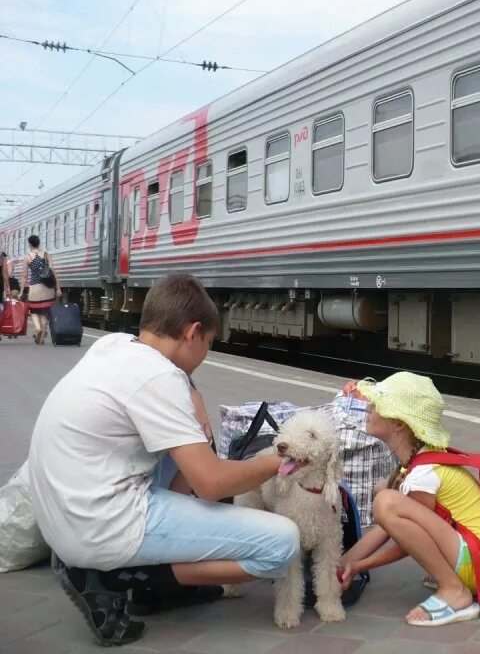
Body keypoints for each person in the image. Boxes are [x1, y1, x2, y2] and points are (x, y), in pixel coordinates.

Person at [27, 274, 300, 646]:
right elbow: (211, 484)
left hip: (63, 517)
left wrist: (193, 396)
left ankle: (131, 565)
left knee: (191, 442)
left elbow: (179, 400)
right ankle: (113, 579)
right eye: (208, 342)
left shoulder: (115, 346)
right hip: (99, 526)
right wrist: (277, 463)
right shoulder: (158, 377)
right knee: (282, 544)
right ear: (192, 332)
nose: (206, 354)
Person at [337, 372, 480, 627]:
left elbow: (410, 542)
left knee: (386, 501)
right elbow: (388, 528)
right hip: (466, 553)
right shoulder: (413, 462)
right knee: (385, 493)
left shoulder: (422, 474)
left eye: (377, 405)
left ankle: (454, 590)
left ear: (399, 423)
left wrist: (360, 566)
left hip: (473, 563)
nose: (368, 407)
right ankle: (448, 578)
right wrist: (344, 562)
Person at [19, 234, 59, 345]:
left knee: (34, 311)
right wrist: (58, 288)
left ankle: (38, 329)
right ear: (39, 243)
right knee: (44, 313)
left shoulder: (28, 257)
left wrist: (21, 291)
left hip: (35, 287)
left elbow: (24, 276)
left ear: (30, 244)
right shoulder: (46, 255)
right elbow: (53, 272)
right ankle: (42, 338)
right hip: (48, 288)